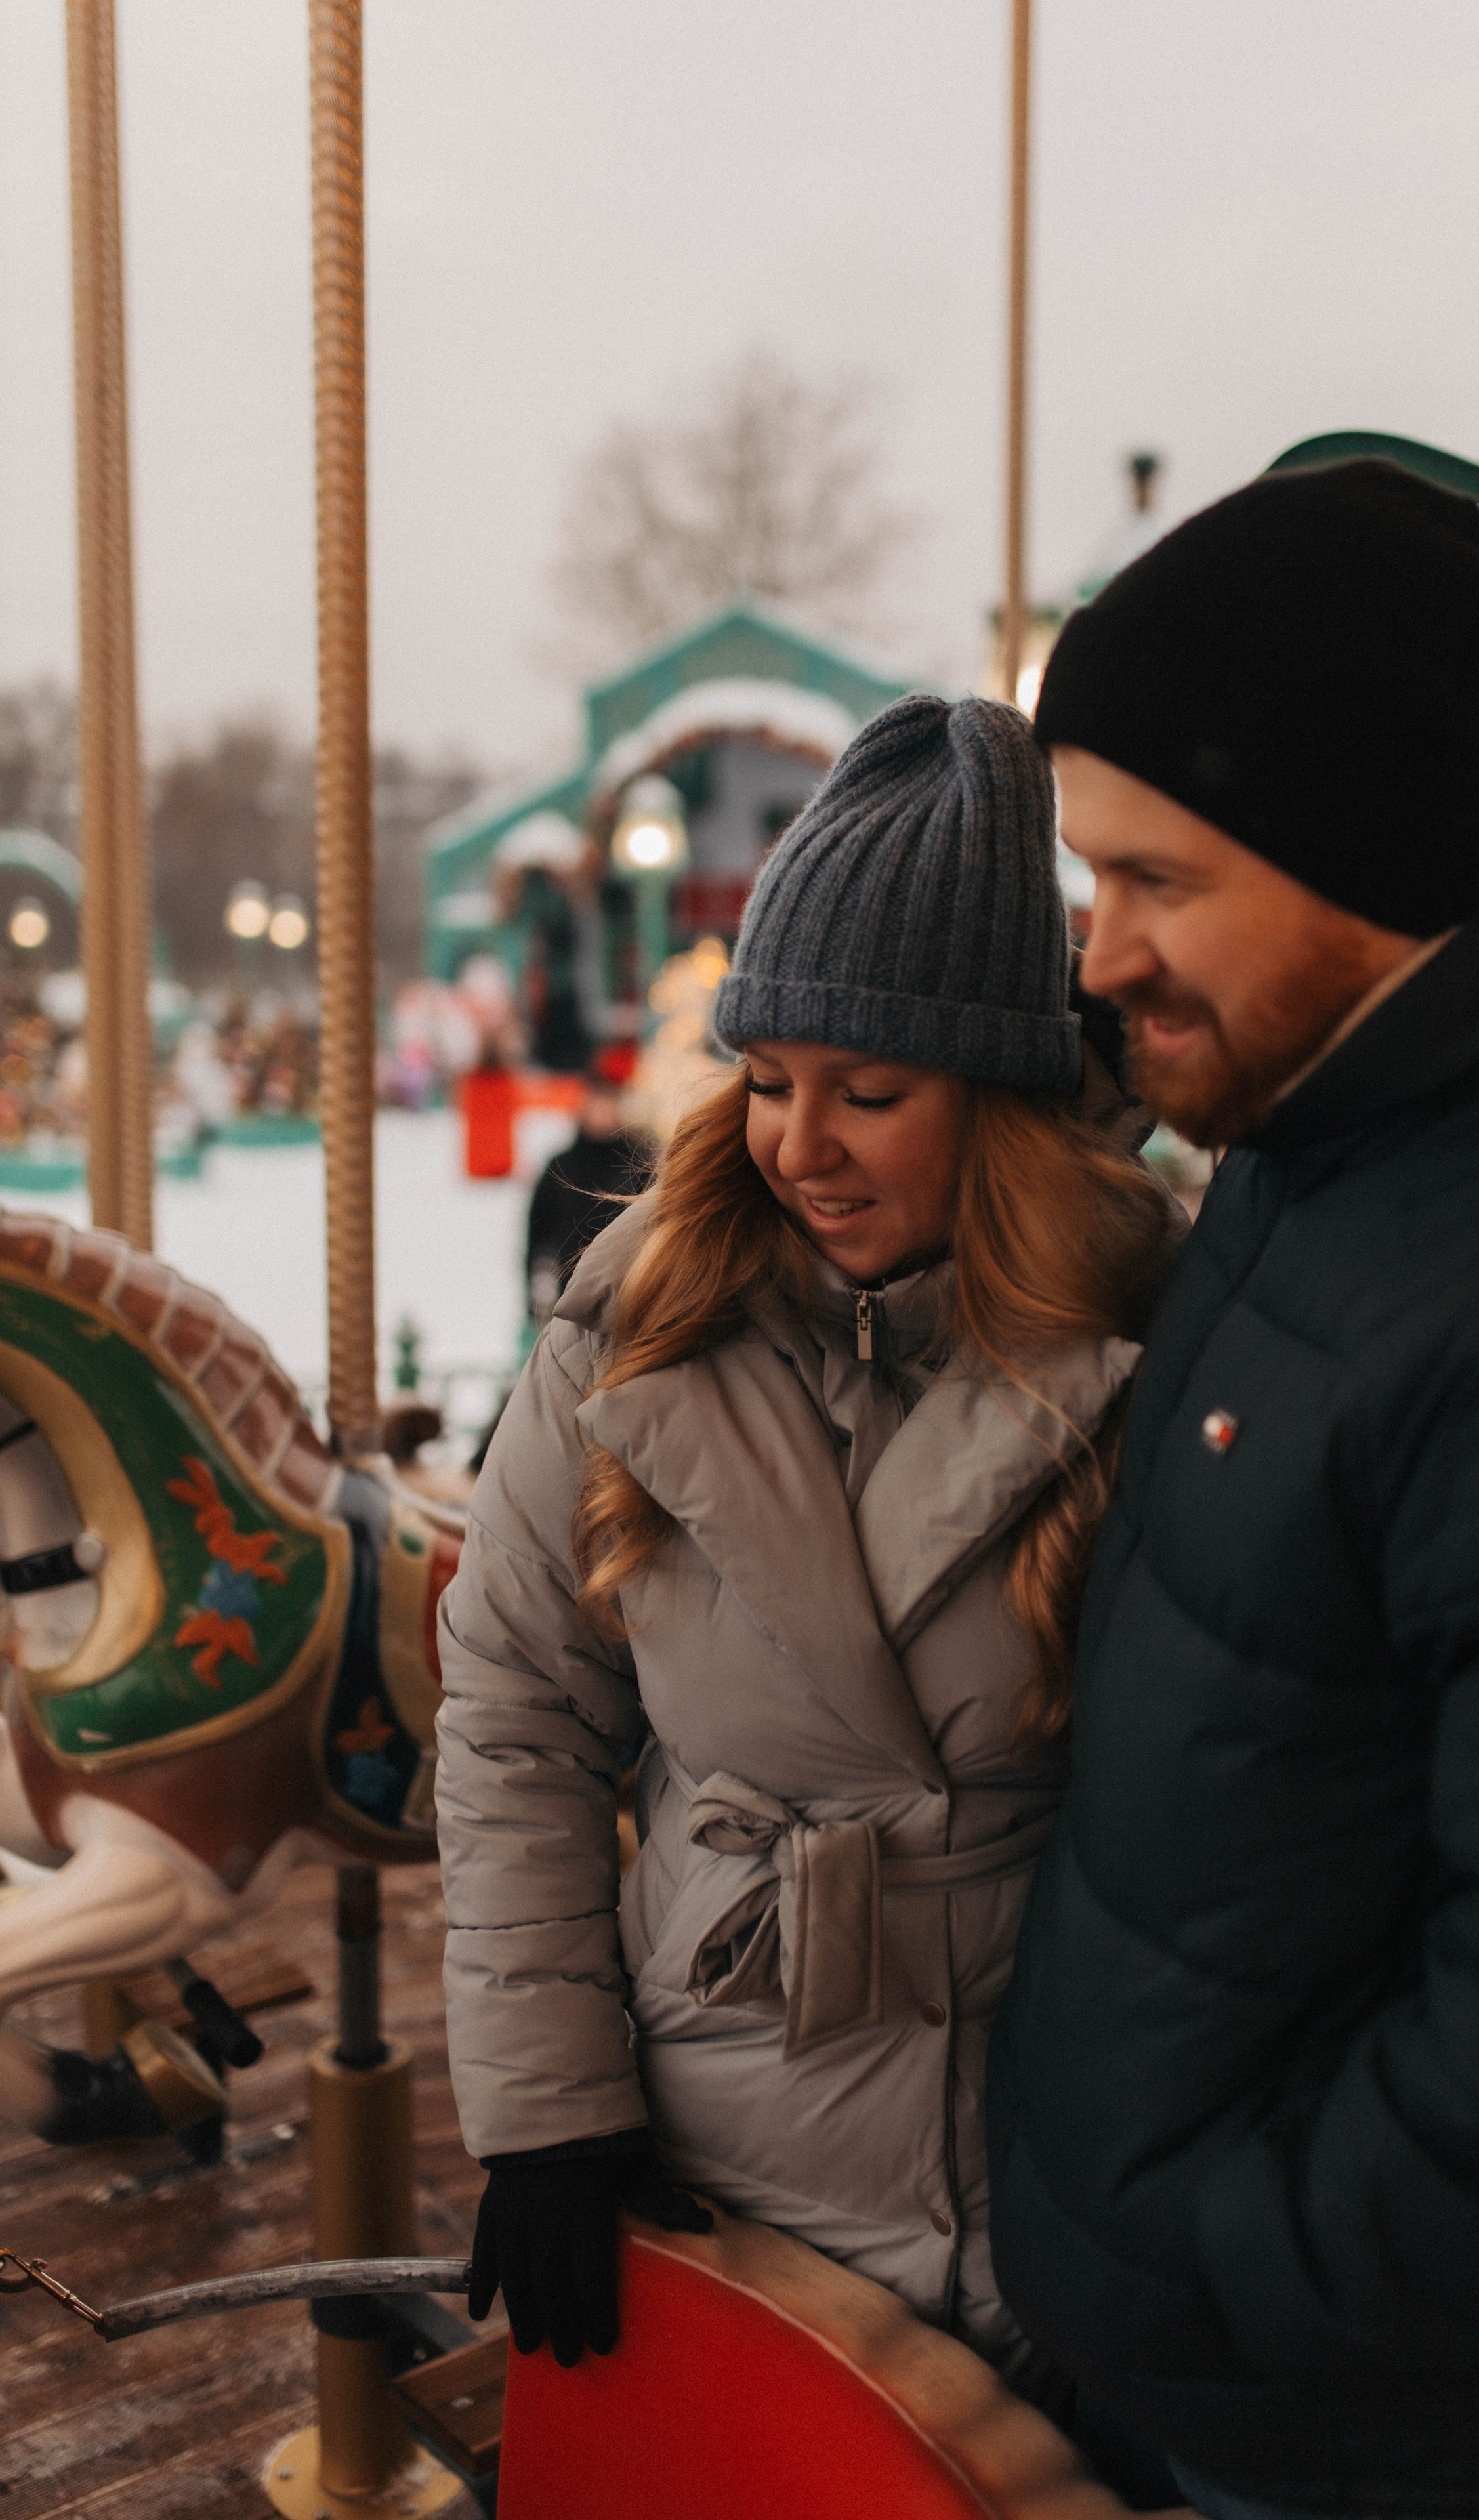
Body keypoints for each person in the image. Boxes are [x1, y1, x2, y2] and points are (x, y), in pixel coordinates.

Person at [987, 461, 1479, 2519]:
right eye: (1082, 876)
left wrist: (1219, 2255)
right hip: (1242, 2366)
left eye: (1154, 879)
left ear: (1351, 844)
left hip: (1399, 2427)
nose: (1096, 953)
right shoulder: (1315, 1140)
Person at [434, 694, 1177, 2384]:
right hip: (716, 2121)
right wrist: (547, 2109)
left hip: (1042, 2135)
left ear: (995, 1095)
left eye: (869, 1088)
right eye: (766, 1080)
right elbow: (519, 1714)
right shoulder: (633, 1330)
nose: (796, 1144)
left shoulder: (1148, 1329)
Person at [524, 1059, 648, 1322]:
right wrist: (533, 1290)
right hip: (570, 1292)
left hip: (627, 1294)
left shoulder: (638, 1163)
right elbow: (538, 1231)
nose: (604, 1112)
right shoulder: (561, 1166)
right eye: (597, 1103)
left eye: (609, 1104)